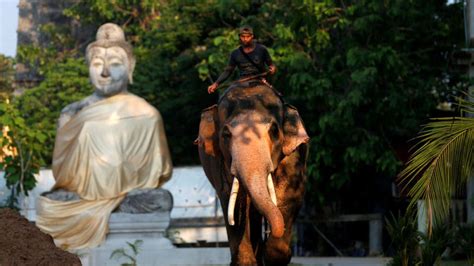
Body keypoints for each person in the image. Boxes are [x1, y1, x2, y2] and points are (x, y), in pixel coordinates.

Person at [36, 23, 172, 250]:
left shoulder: (148, 115)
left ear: (130, 67)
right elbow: (62, 174)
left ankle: (102, 207)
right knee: (51, 201)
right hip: (78, 197)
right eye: (97, 64)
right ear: (88, 66)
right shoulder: (72, 113)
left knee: (159, 200)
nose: (105, 72)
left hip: (129, 199)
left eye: (116, 64)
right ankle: (94, 208)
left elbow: (160, 172)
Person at [207, 26, 276, 94]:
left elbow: (271, 65)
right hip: (242, 81)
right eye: (243, 37)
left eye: (247, 36)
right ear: (240, 37)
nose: (245, 39)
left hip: (259, 80)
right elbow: (228, 71)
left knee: (274, 99)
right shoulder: (235, 53)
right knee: (227, 97)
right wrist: (216, 83)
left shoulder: (261, 49)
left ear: (252, 36)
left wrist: (272, 69)